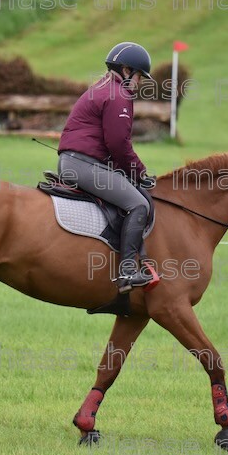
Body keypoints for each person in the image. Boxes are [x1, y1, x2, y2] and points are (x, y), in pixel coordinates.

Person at [57, 42, 157, 293]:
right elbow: (119, 144)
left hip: (76, 161)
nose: (140, 83)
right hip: (83, 165)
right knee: (139, 204)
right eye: (139, 76)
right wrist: (140, 173)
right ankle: (127, 271)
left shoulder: (102, 88)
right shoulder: (118, 94)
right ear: (126, 70)